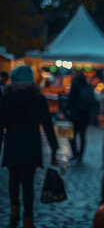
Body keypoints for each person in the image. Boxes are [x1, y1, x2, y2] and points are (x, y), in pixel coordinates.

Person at [0, 65, 58, 228]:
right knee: (28, 183)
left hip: (12, 142)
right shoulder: (38, 99)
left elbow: (1, 124)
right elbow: (47, 124)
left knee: (13, 180)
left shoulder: (6, 98)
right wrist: (54, 147)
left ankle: (13, 212)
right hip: (31, 142)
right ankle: (28, 219)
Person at [66, 70, 95, 163]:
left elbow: (70, 99)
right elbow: (92, 101)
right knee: (82, 136)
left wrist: (65, 110)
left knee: (72, 136)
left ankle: (75, 154)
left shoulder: (75, 84)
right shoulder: (88, 86)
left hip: (75, 115)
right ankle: (80, 156)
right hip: (85, 116)